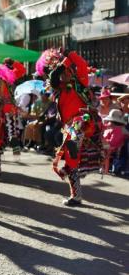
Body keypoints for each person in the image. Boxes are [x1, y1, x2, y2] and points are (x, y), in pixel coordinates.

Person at [49, 50, 102, 206]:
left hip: (81, 123)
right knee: (71, 160)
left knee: (71, 153)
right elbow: (52, 77)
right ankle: (75, 191)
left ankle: (76, 195)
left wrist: (70, 54)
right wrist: (62, 64)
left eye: (67, 72)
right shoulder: (59, 87)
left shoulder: (80, 83)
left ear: (71, 71)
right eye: (62, 73)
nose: (64, 75)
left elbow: (82, 64)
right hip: (69, 127)